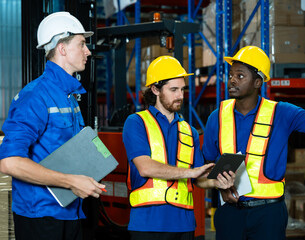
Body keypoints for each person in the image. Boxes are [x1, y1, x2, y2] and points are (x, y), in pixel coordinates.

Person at [202, 45, 305, 240]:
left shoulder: (282, 113)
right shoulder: (216, 117)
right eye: (231, 74)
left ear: (257, 82)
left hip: (269, 215)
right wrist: (220, 186)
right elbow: (206, 166)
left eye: (240, 76)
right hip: (229, 213)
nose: (232, 80)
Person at [0, 12, 106, 240]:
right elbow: (9, 162)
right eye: (82, 44)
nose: (88, 51)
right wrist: (71, 181)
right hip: (41, 216)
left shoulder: (69, 96)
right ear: (62, 48)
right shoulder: (35, 96)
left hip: (72, 211)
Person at [122, 55, 236, 240]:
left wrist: (217, 182)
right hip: (147, 225)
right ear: (155, 89)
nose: (180, 96)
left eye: (182, 89)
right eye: (173, 90)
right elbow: (145, 167)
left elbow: (198, 179)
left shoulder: (189, 131)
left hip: (185, 224)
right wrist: (191, 173)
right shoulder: (136, 123)